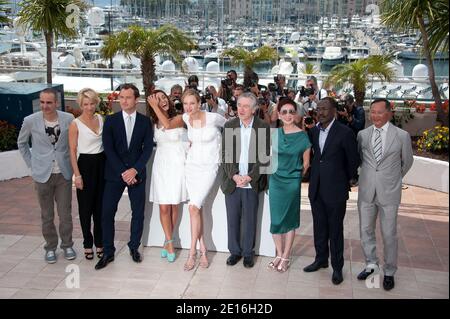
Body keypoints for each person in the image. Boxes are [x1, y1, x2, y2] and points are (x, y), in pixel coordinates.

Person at [356, 98, 414, 291]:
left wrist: (393, 179)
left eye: (380, 112)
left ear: (390, 112)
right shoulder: (362, 135)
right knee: (366, 230)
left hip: (389, 191)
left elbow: (407, 162)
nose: (375, 116)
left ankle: (389, 271)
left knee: (389, 234)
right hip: (366, 190)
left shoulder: (402, 136)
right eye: (372, 112)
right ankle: (371, 264)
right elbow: (360, 160)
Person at [95, 84, 154, 270]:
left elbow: (147, 150)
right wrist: (124, 171)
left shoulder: (145, 122)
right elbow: (109, 149)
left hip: (137, 174)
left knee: (138, 213)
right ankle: (108, 252)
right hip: (114, 174)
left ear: (136, 100)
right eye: (121, 97)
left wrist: (134, 170)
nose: (124, 101)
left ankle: (134, 247)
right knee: (106, 212)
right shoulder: (110, 121)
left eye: (128, 97)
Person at [303, 97, 359, 285]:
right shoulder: (314, 131)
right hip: (316, 188)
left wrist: (348, 179)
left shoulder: (345, 132)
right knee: (319, 227)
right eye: (318, 109)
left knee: (335, 230)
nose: (320, 112)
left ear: (334, 110)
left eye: (325, 109)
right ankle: (321, 260)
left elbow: (353, 160)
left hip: (335, 190)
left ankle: (337, 267)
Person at [17, 88, 76, 263]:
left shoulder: (68, 119)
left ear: (56, 103)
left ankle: (67, 245)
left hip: (63, 174)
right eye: (42, 102)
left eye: (49, 102)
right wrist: (32, 165)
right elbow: (22, 143)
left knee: (65, 214)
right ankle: (50, 247)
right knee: (47, 215)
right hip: (42, 175)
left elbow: (74, 145)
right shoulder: (30, 121)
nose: (45, 106)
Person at [221, 92, 271, 268]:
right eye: (239, 105)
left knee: (250, 220)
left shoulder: (263, 127)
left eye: (246, 106)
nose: (241, 109)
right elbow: (225, 155)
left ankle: (248, 253)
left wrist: (249, 177)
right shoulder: (229, 125)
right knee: (232, 219)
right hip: (232, 181)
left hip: (252, 181)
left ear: (254, 109)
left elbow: (265, 158)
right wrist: (234, 175)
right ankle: (235, 252)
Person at [182, 89, 227, 271]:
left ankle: (191, 252)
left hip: (209, 167)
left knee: (193, 207)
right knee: (195, 208)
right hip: (192, 167)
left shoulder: (213, 118)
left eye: (192, 103)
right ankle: (203, 248)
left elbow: (231, 126)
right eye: (185, 104)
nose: (188, 107)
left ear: (199, 102)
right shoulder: (186, 119)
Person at [268, 98, 311, 272]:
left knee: (290, 221)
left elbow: (306, 164)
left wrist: (295, 178)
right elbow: (269, 158)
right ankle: (278, 254)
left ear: (296, 114)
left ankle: (286, 256)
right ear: (278, 115)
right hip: (275, 181)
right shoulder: (274, 134)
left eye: (291, 112)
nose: (287, 115)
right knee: (276, 220)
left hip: (292, 182)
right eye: (284, 112)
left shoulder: (303, 136)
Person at [147, 90, 188, 263]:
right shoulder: (153, 123)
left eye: (164, 97)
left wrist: (154, 106)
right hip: (161, 166)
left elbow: (169, 125)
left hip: (177, 165)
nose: (162, 101)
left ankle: (167, 240)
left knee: (174, 205)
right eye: (158, 100)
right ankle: (169, 240)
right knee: (164, 207)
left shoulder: (179, 118)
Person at [68, 88, 105, 260]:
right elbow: (72, 151)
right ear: (80, 104)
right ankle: (87, 243)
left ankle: (100, 242)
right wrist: (77, 175)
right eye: (85, 104)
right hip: (85, 166)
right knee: (85, 209)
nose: (89, 107)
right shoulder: (75, 124)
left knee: (99, 208)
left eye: (91, 103)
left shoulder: (100, 118)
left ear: (96, 103)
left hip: (101, 165)